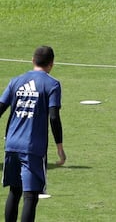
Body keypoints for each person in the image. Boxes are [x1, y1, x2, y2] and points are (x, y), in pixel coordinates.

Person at [0, 46, 66, 222]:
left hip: (12, 144)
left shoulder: (16, 81)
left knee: (14, 191)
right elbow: (54, 117)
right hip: (32, 147)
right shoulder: (52, 84)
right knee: (30, 195)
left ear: (32, 60)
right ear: (51, 64)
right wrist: (60, 147)